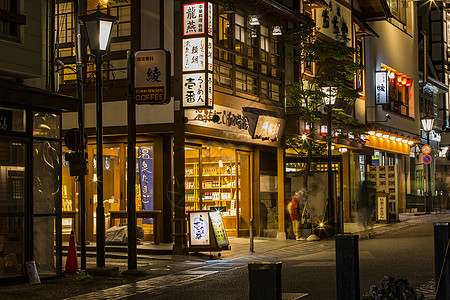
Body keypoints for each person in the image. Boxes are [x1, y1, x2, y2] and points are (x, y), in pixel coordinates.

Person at [358, 174, 375, 239]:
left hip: (362, 205)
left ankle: (362, 233)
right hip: (367, 205)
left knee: (361, 219)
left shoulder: (363, 184)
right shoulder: (368, 183)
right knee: (366, 218)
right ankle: (366, 233)